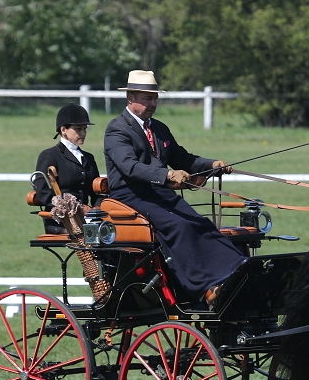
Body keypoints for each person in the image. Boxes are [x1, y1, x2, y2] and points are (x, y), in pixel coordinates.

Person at [104, 70, 246, 307]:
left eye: (154, 98)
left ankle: (234, 273)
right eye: (147, 98)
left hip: (159, 193)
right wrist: (167, 174)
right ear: (130, 97)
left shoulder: (159, 128)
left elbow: (183, 159)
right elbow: (130, 167)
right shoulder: (117, 129)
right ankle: (204, 288)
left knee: (200, 223)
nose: (153, 103)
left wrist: (211, 165)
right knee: (179, 226)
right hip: (129, 196)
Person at [34, 103, 100, 234]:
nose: (83, 133)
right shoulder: (49, 155)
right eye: (78, 129)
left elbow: (96, 193)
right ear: (63, 130)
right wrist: (77, 209)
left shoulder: (89, 158)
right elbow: (43, 193)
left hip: (87, 220)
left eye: (84, 129)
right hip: (59, 222)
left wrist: (98, 208)